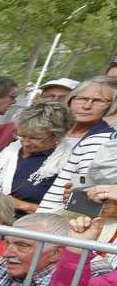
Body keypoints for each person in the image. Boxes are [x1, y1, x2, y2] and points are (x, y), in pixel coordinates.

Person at [37, 79, 117, 212]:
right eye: (82, 98)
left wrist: (78, 184)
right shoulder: (47, 128)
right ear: (70, 100)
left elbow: (91, 179)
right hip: (43, 211)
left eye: (98, 101)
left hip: (66, 216)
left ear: (112, 106)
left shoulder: (104, 140)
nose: (87, 106)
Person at [0, 104, 68, 215]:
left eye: (35, 138)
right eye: (21, 136)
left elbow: (66, 213)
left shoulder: (65, 164)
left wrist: (23, 205)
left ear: (57, 136)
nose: (25, 143)